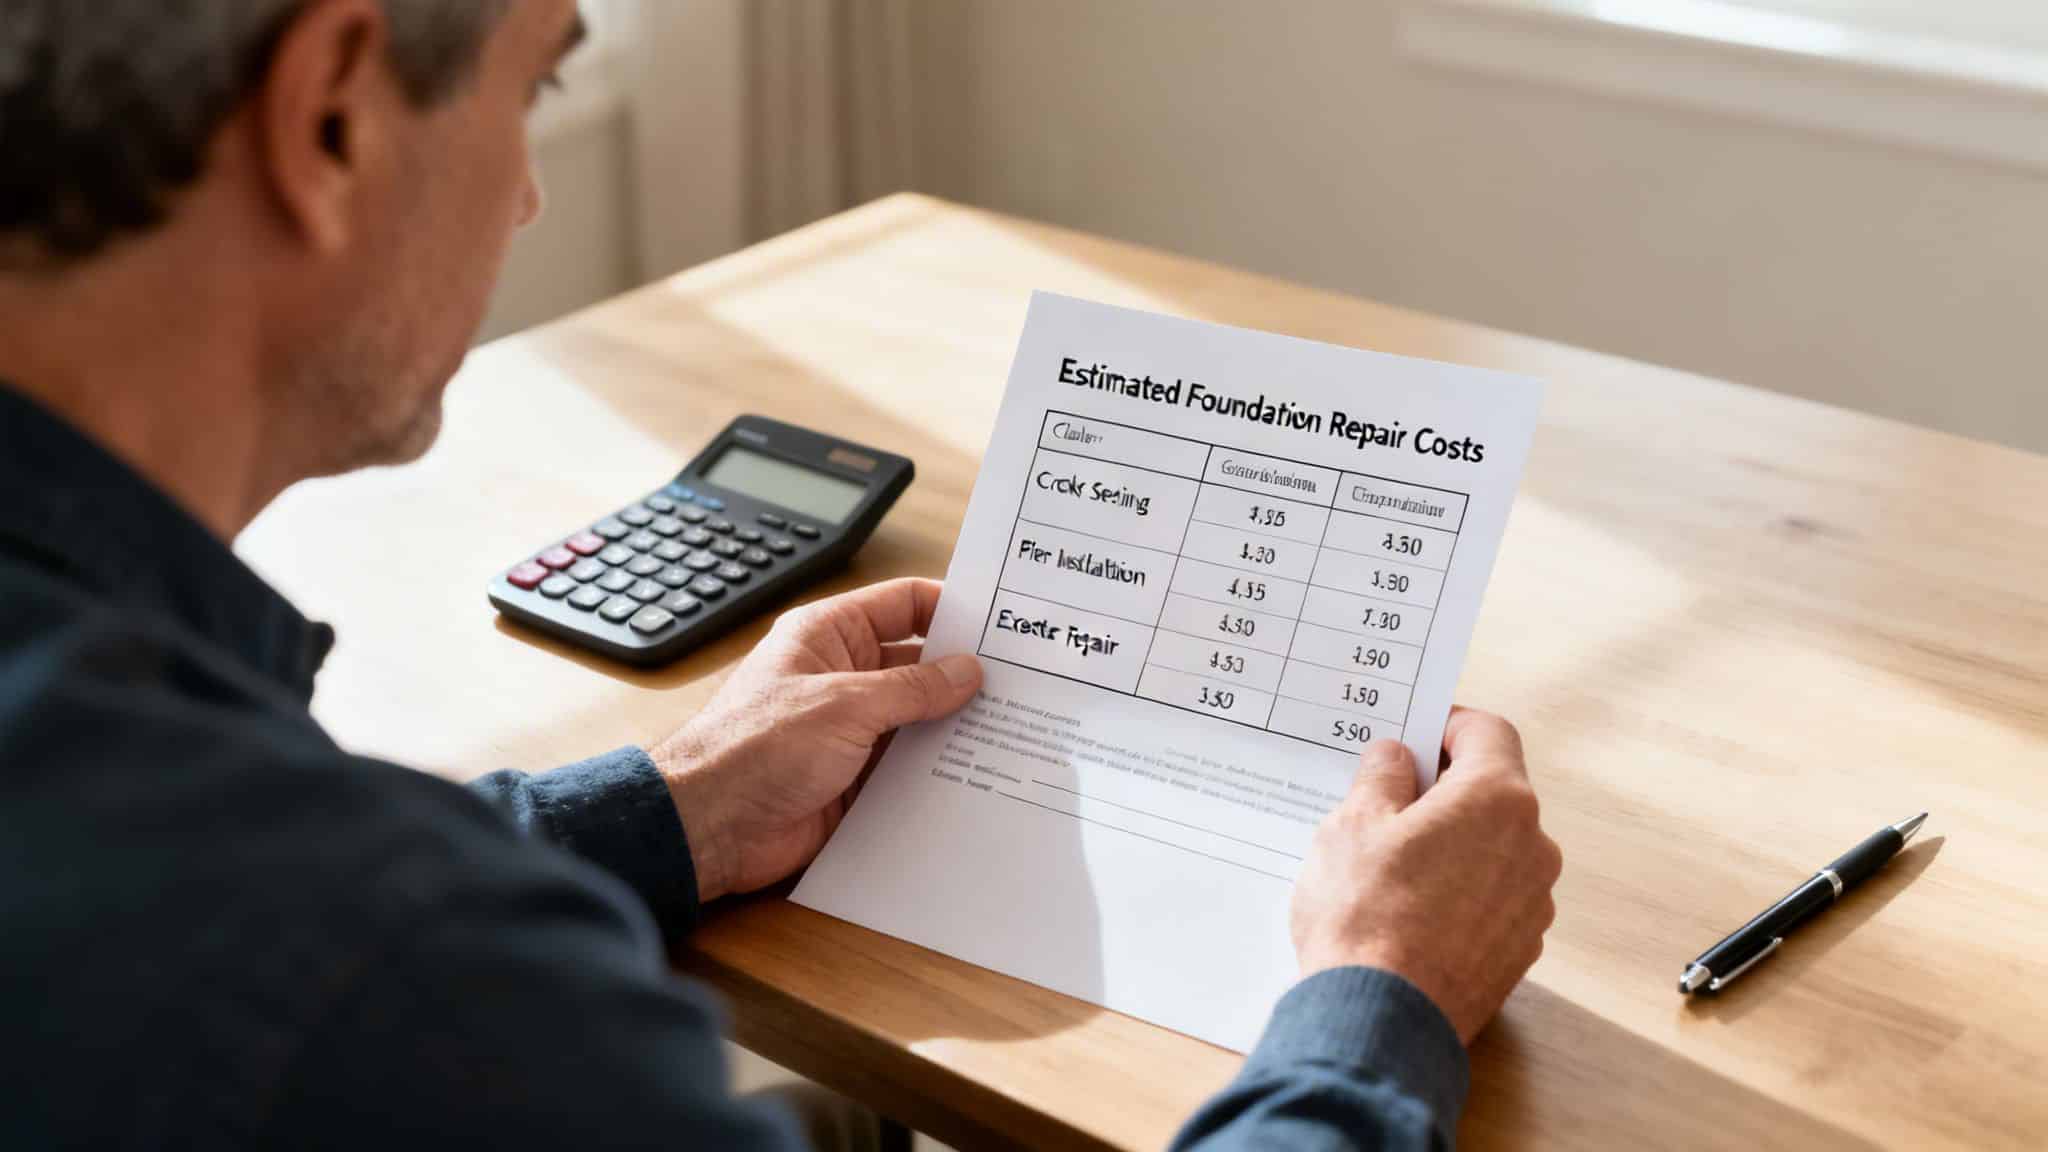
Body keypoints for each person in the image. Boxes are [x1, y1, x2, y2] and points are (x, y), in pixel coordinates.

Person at [0, 1, 1563, 1148]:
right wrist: (1379, 1002)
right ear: (333, 114)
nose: (530, 193)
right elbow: (326, 957)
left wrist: (668, 808)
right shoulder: (393, 976)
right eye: (534, 86)